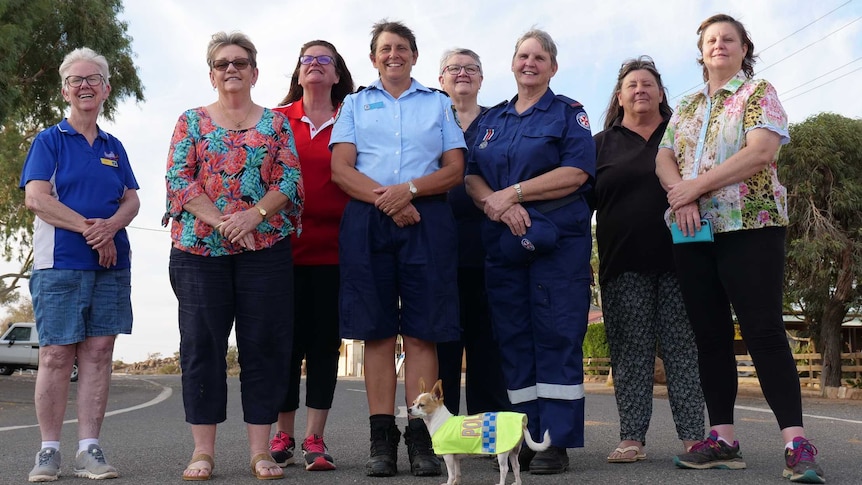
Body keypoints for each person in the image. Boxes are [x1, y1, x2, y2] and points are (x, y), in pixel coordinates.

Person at [655, 14, 824, 483]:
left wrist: (693, 188)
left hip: (751, 225)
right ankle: (723, 440)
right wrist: (679, 194)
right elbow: (664, 156)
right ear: (701, 50)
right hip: (693, 232)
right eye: (710, 40)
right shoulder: (687, 106)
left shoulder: (758, 93)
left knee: (763, 332)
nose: (719, 45)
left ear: (744, 48)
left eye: (728, 39)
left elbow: (761, 151)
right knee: (709, 337)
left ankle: (797, 443)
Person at [164, 31, 303, 481]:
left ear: (255, 71)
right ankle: (203, 452)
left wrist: (254, 216)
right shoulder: (190, 122)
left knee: (264, 348)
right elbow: (179, 181)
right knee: (202, 347)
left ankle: (260, 452)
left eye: (240, 62)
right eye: (223, 63)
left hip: (264, 252)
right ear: (211, 74)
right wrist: (226, 221)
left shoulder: (277, 124)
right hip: (199, 252)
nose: (231, 69)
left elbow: (289, 182)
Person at [329, 20, 465, 478]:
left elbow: (454, 169)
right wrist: (389, 201)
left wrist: (407, 191)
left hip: (427, 217)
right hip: (370, 219)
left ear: (414, 55)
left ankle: (422, 439)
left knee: (424, 332)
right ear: (373, 58)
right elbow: (342, 169)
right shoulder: (354, 103)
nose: (394, 55)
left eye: (402, 47)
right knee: (378, 332)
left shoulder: (438, 104)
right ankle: (381, 439)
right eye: (385, 48)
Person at [464, 29, 595, 475]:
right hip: (504, 242)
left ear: (552, 67)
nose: (530, 63)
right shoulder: (491, 119)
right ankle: (524, 436)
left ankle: (554, 443)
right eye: (523, 56)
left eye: (540, 57)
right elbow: (471, 177)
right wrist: (497, 206)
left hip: (558, 241)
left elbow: (576, 172)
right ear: (513, 63)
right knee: (514, 338)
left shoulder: (568, 114)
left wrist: (515, 194)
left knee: (556, 335)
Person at [21, 47, 140, 482]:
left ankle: (89, 448)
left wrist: (110, 229)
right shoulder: (49, 140)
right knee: (55, 355)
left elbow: (132, 199)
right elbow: (37, 198)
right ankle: (48, 452)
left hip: (111, 265)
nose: (85, 85)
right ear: (65, 90)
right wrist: (95, 232)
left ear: (107, 88)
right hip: (60, 265)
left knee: (99, 353)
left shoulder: (114, 146)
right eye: (77, 80)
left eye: (94, 79)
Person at [594, 56, 705, 464]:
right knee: (631, 355)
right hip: (622, 265)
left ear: (661, 93)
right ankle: (631, 438)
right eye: (632, 85)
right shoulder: (600, 145)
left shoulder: (683, 136)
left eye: (648, 84)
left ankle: (695, 437)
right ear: (620, 97)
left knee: (683, 351)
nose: (640, 89)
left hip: (684, 258)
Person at [267, 40, 354, 472]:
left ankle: (315, 439)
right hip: (282, 254)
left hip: (338, 254)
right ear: (298, 73)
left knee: (324, 347)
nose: (316, 65)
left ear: (337, 74)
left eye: (326, 60)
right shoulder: (275, 120)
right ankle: (282, 434)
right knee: (285, 347)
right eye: (308, 60)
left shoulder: (352, 118)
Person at [435, 48, 511, 417]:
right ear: (441, 79)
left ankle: (488, 429)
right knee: (442, 347)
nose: (462, 73)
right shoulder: (429, 120)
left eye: (471, 68)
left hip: (489, 247)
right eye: (454, 68)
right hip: (436, 250)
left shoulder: (501, 121)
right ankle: (443, 432)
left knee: (488, 346)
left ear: (481, 79)